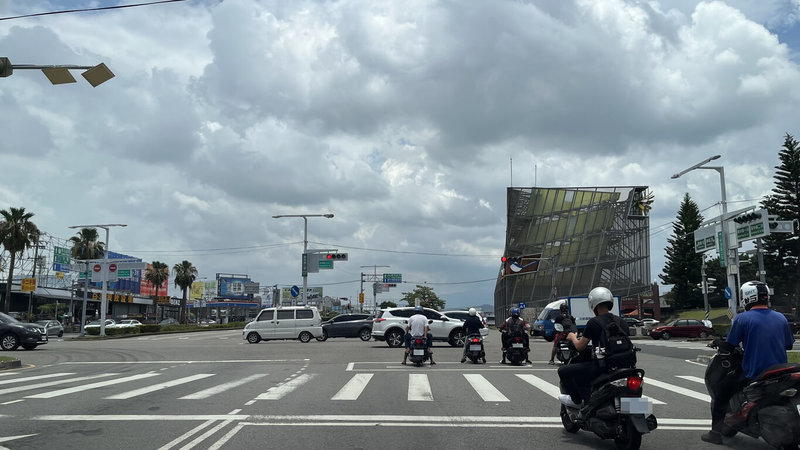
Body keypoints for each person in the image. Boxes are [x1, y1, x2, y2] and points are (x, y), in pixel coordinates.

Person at [701, 281, 795, 445]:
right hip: (781, 370)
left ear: (746, 297)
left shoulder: (743, 319)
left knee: (722, 392)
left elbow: (730, 346)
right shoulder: (780, 317)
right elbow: (788, 344)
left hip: (754, 371)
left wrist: (717, 342)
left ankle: (715, 433)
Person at [558, 286, 630, 408]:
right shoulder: (621, 321)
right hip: (625, 365)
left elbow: (580, 347)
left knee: (563, 371)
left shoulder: (593, 322)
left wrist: (572, 337)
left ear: (592, 303)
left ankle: (578, 401)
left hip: (602, 366)